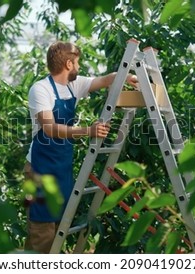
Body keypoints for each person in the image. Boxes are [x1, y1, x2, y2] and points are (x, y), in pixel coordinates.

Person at [24, 41, 138, 253]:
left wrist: (128, 77)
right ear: (68, 64)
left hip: (62, 167)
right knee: (42, 233)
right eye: (77, 62)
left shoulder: (71, 85)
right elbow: (49, 128)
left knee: (57, 230)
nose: (80, 67)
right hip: (40, 169)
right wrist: (88, 131)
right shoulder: (41, 89)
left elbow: (106, 79)